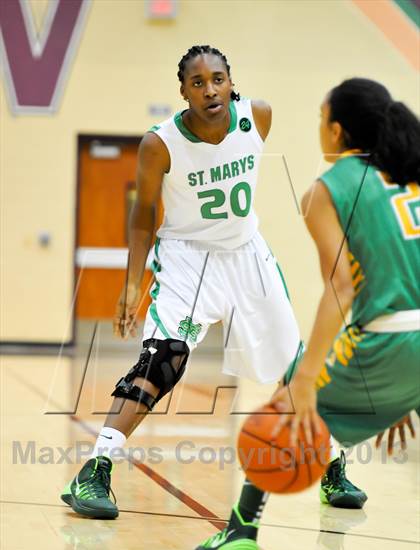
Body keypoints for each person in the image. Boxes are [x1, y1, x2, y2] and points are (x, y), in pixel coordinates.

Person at [60, 47, 363, 525]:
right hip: (186, 258)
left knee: (294, 366)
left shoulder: (257, 117)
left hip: (247, 255)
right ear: (183, 91)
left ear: (230, 82)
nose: (209, 90)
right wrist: (131, 281)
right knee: (163, 359)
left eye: (217, 79)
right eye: (197, 83)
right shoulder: (159, 144)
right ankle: (94, 468)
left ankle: (331, 467)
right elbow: (143, 215)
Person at [194, 77, 419, 550]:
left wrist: (304, 379)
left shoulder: (327, 188)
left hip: (387, 338)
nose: (318, 127)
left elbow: (341, 288)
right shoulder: (409, 176)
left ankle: (239, 534)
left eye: (320, 118)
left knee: (283, 413)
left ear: (336, 131)